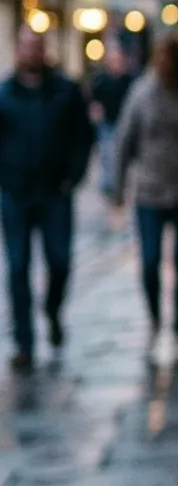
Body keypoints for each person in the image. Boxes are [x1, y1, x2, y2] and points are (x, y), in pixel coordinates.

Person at [0, 26, 94, 371]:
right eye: (26, 46)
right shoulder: (5, 94)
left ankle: (53, 311)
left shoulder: (66, 92)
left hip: (55, 193)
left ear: (44, 50)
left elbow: (84, 136)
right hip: (15, 194)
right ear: (18, 50)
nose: (32, 53)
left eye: (37, 47)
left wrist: (74, 176)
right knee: (18, 267)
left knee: (59, 262)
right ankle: (24, 342)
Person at [114, 35, 178, 359]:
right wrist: (117, 186)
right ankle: (156, 320)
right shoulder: (142, 93)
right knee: (150, 260)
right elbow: (124, 139)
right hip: (149, 191)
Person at [88, 44, 136, 201]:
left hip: (123, 123)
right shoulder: (102, 80)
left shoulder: (129, 81)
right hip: (107, 122)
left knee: (119, 152)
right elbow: (94, 99)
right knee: (107, 153)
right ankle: (109, 183)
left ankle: (118, 182)